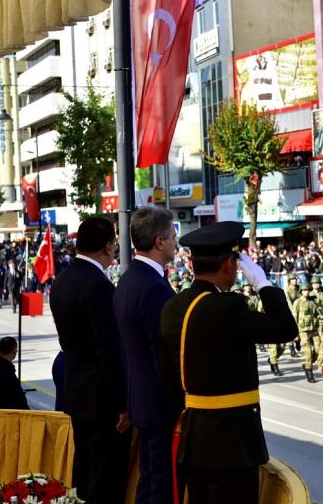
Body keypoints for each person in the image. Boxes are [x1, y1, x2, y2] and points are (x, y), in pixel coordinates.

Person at [158, 221, 297, 504]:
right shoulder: (226, 307)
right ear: (228, 266)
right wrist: (263, 284)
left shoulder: (173, 306)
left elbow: (168, 374)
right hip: (231, 443)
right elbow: (285, 327)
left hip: (194, 435)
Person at [50, 218, 130, 504]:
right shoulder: (99, 286)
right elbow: (108, 351)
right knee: (105, 479)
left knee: (82, 470)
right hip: (102, 401)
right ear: (108, 246)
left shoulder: (62, 280)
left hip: (76, 392)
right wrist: (122, 404)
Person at [112, 207, 178, 504]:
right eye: (173, 236)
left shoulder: (128, 279)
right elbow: (164, 352)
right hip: (158, 402)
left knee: (149, 478)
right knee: (159, 483)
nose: (176, 243)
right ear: (159, 241)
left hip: (141, 399)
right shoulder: (153, 288)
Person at [0, 336, 29, 410]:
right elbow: (17, 399)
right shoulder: (7, 373)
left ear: (0, 349)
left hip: (0, 412)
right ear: (14, 351)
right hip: (12, 416)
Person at [293, 283, 320, 383]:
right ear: (301, 292)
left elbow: (317, 313)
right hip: (303, 330)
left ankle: (307, 364)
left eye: (308, 290)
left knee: (319, 350)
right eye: (304, 290)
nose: (307, 292)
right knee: (308, 352)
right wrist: (295, 333)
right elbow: (294, 318)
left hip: (314, 329)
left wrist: (321, 317)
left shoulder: (313, 301)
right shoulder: (298, 302)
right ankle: (309, 372)